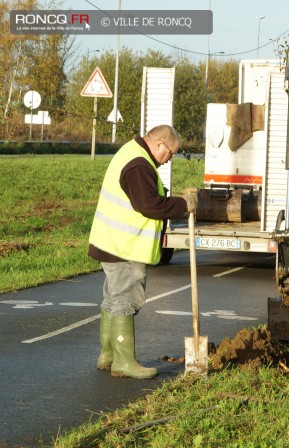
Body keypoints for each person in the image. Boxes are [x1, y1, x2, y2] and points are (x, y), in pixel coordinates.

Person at [88, 124, 198, 379]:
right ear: (159, 144)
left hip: (112, 242)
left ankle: (109, 354)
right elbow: (148, 204)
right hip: (124, 245)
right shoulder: (139, 165)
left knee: (113, 299)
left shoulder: (131, 154)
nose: (170, 159)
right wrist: (183, 205)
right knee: (125, 300)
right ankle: (124, 362)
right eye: (170, 153)